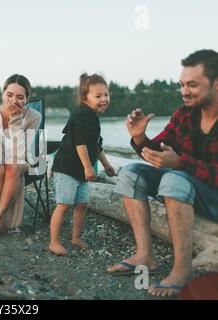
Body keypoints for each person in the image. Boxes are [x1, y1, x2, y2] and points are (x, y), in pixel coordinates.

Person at [108, 49, 218, 297]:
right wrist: (139, 137)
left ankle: (182, 269)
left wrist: (180, 164)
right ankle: (145, 255)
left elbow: (180, 166)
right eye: (181, 84)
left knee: (173, 178)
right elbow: (158, 150)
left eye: (192, 85)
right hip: (189, 188)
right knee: (130, 173)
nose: (184, 91)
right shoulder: (185, 112)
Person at [48, 73, 116, 255]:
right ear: (85, 98)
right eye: (98, 96)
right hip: (67, 169)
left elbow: (96, 145)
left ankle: (75, 237)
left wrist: (107, 165)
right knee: (64, 204)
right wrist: (88, 167)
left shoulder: (93, 117)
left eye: (106, 95)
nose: (104, 99)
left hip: (79, 171)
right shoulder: (84, 115)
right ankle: (54, 242)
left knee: (82, 204)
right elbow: (80, 142)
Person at [0, 74, 41, 240]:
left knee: (12, 165)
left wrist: (15, 121)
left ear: (27, 99)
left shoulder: (34, 117)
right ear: (3, 93)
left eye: (20, 97)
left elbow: (21, 153)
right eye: (9, 95)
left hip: (23, 160)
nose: (13, 100)